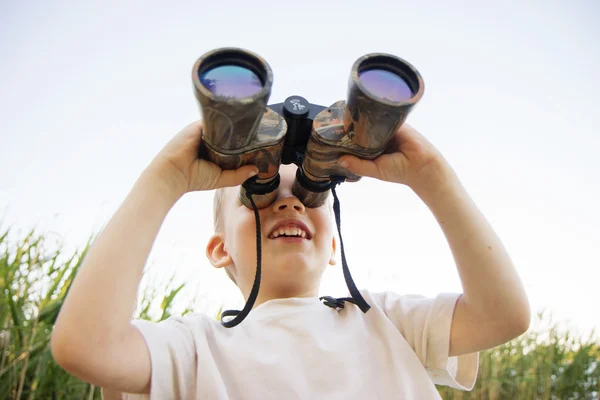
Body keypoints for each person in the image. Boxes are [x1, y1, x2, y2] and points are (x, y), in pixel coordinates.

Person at [51, 120, 531, 399]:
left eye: (311, 192)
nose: (290, 202)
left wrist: (431, 176)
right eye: (257, 194)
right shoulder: (195, 347)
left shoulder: (385, 321)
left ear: (333, 248)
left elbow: (503, 316)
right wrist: (166, 180)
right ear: (220, 250)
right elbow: (85, 347)